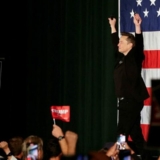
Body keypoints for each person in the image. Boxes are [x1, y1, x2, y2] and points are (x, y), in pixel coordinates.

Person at [108, 13, 149, 158]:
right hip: (125, 101)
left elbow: (139, 43)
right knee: (135, 134)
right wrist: (113, 27)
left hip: (132, 101)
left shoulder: (135, 57)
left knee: (121, 131)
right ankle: (146, 156)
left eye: (121, 41)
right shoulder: (121, 58)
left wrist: (137, 26)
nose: (118, 43)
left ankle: (116, 156)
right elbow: (114, 44)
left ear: (130, 45)